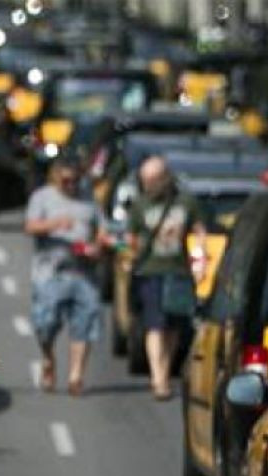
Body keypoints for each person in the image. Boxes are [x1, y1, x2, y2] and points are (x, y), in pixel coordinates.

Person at [23, 158, 109, 396]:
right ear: (56, 178)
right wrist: (54, 224)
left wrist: (98, 246)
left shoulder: (88, 199)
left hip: (84, 272)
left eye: (76, 180)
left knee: (85, 322)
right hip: (50, 273)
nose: (71, 185)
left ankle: (76, 376)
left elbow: (101, 230)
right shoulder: (42, 197)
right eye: (66, 181)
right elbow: (30, 226)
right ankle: (48, 358)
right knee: (45, 324)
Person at [125, 156, 201, 401]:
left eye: (153, 180)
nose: (148, 185)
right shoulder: (140, 204)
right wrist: (129, 259)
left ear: (165, 178)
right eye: (144, 180)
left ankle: (164, 371)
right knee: (155, 325)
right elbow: (132, 238)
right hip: (150, 270)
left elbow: (199, 232)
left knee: (172, 327)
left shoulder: (185, 202)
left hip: (178, 271)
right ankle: (159, 379)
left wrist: (200, 262)